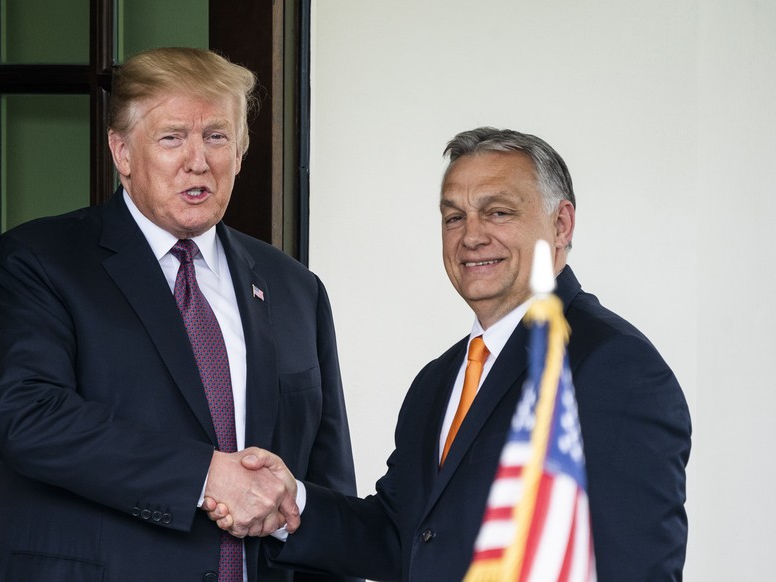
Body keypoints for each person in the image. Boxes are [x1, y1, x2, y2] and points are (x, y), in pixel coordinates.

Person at [208, 127, 692, 581]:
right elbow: (401, 534)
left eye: (498, 212)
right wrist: (291, 503)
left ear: (561, 224)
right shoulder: (438, 381)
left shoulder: (612, 366)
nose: (472, 236)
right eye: (454, 217)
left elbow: (636, 567)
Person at [0, 47, 360, 582]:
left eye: (217, 137)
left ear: (241, 152)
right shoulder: (39, 261)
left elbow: (326, 484)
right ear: (123, 152)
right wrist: (207, 476)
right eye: (172, 136)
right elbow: (30, 417)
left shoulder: (295, 289)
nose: (197, 160)